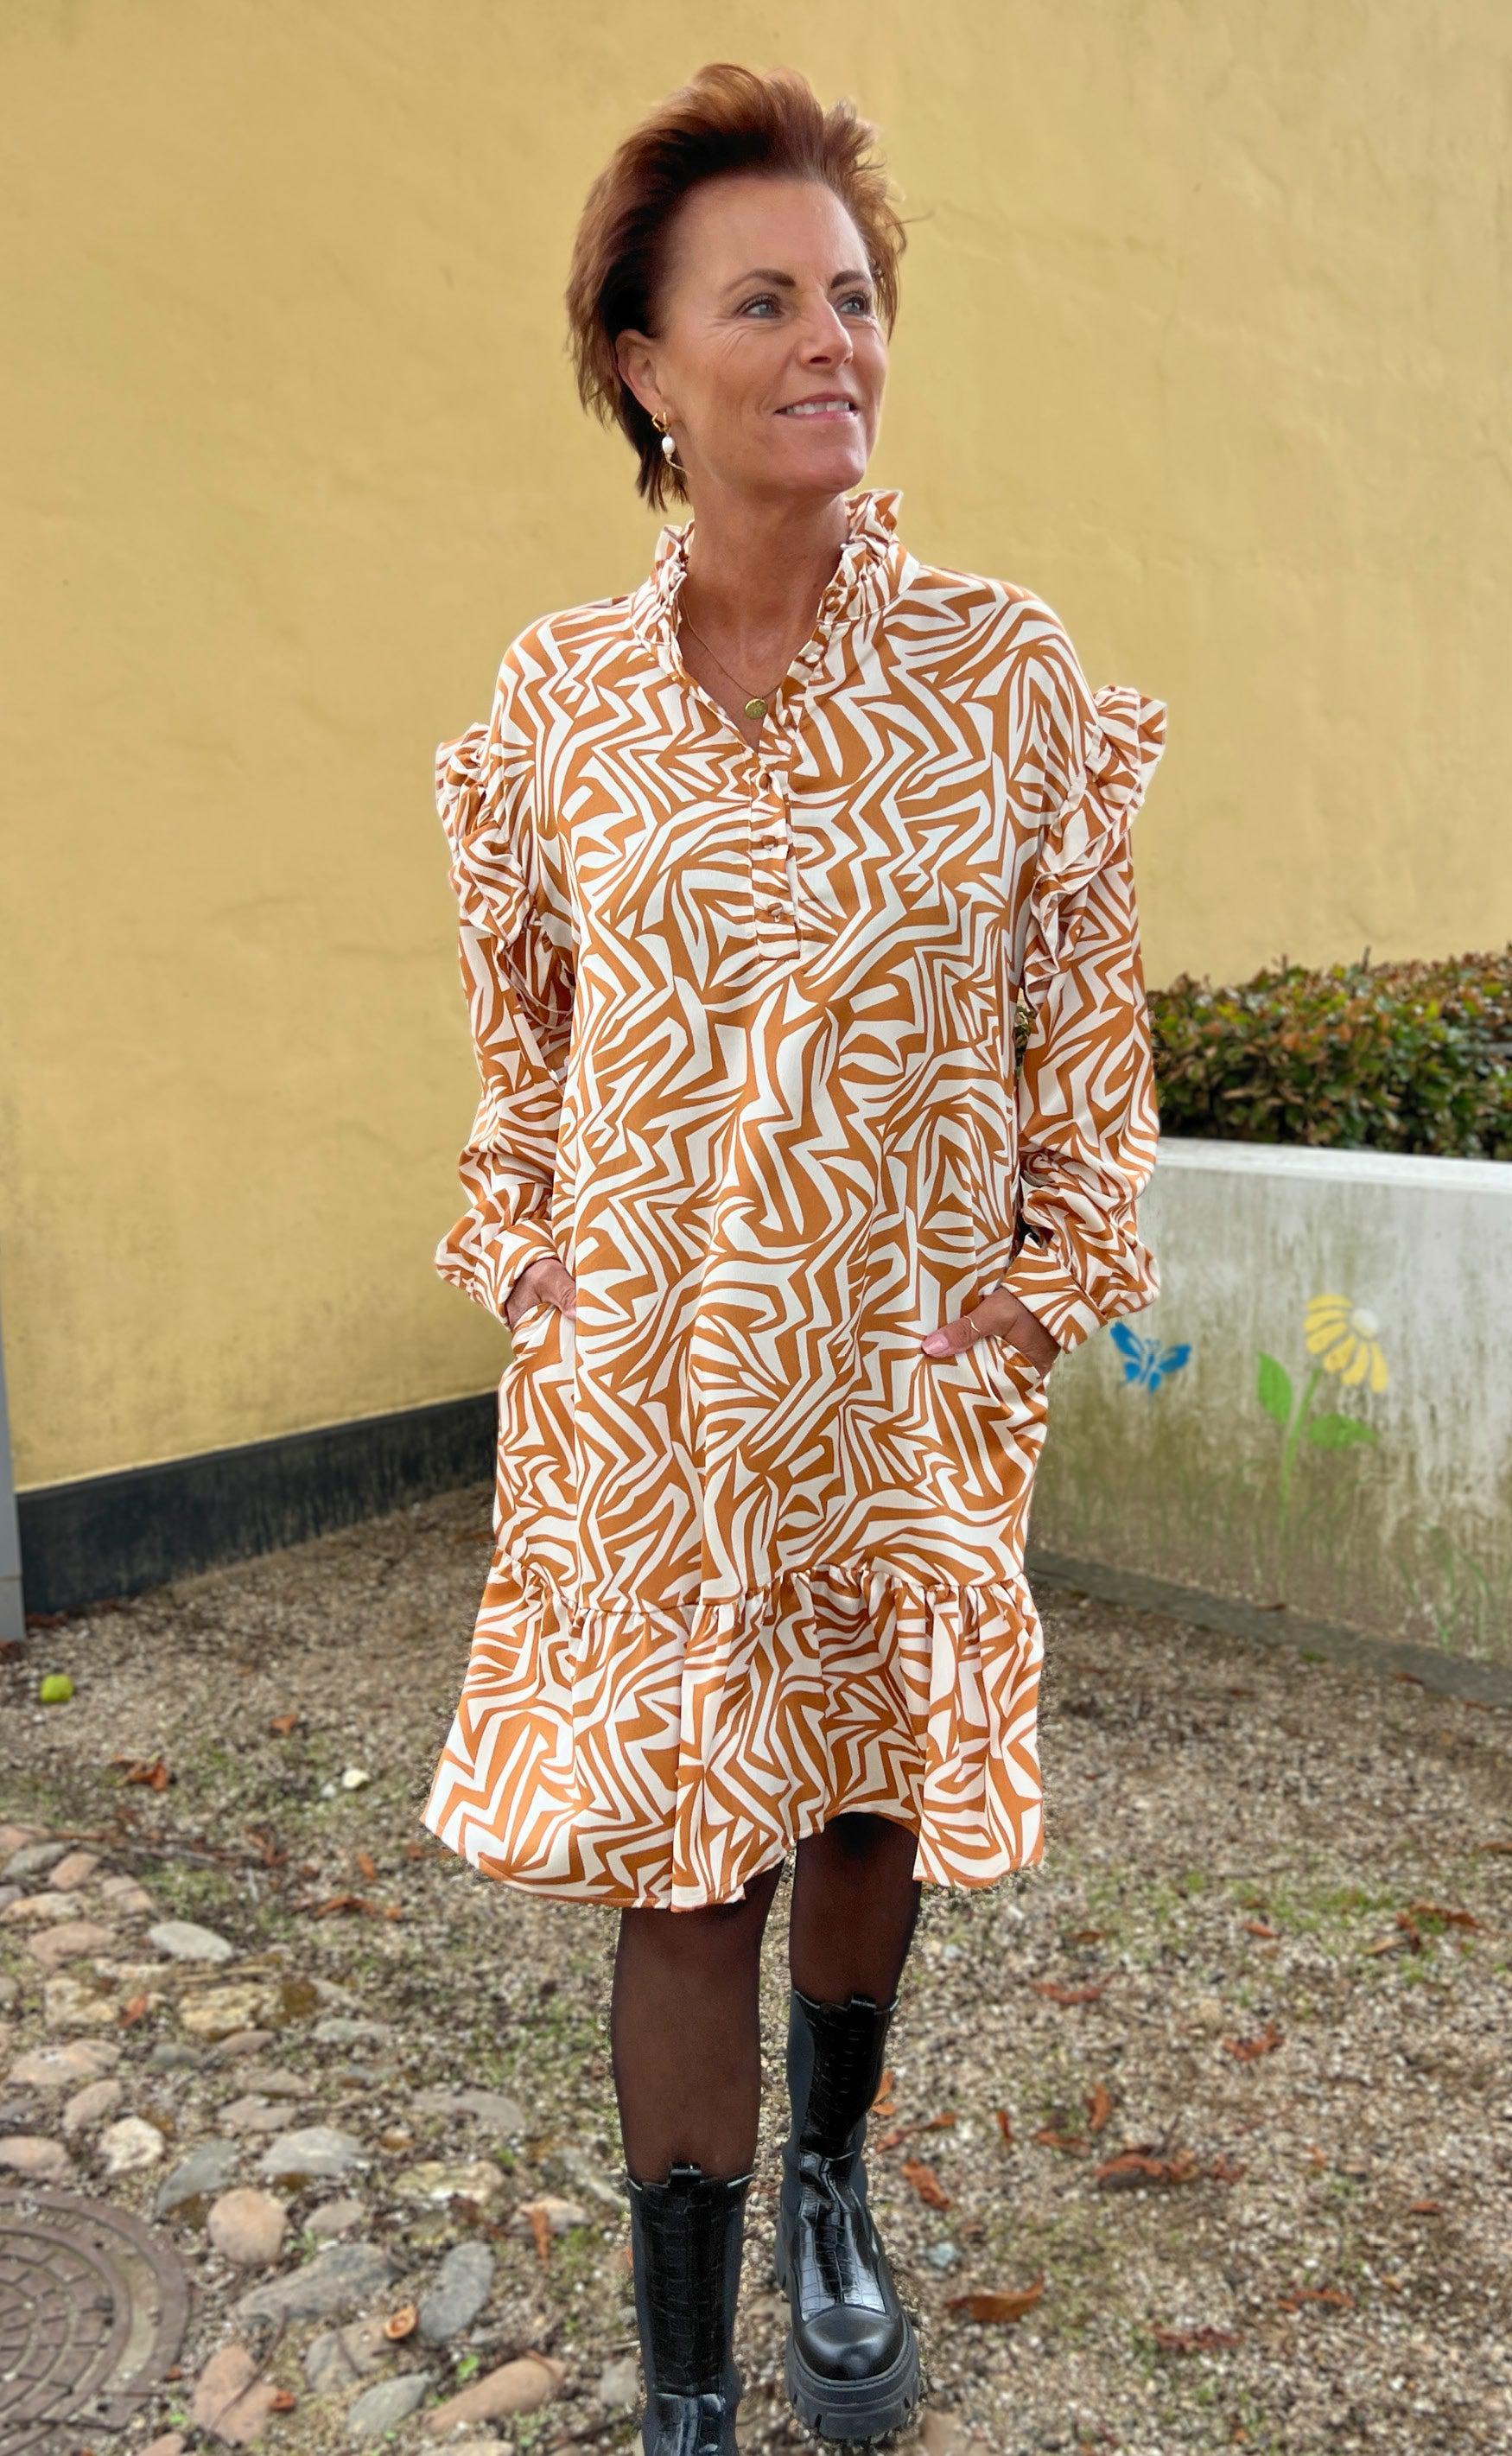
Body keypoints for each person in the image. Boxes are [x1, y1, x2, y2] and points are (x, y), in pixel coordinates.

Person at [422, 59, 1167, 2456]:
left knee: (860, 1807)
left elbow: (1086, 1026)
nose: (831, 339)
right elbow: (522, 1032)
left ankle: (833, 2185)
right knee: (678, 1872)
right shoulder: (558, 699)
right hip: (648, 1399)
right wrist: (532, 1264)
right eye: (764, 301)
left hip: (897, 1383)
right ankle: (685, 2392)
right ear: (644, 364)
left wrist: (1041, 1287)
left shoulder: (1003, 674)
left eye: (853, 296)